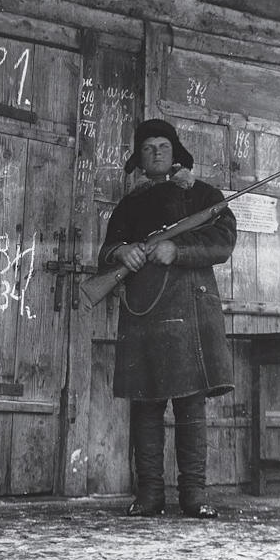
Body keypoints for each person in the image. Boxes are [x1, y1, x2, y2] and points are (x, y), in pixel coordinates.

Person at [98, 119, 237, 518]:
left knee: (191, 405)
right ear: (139, 160)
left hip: (191, 311)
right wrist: (121, 254)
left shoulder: (204, 196)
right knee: (146, 405)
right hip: (144, 311)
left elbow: (222, 241)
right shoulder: (128, 206)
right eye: (147, 148)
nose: (156, 152)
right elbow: (107, 250)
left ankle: (194, 496)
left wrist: (178, 251)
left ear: (176, 153)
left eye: (163, 146)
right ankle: (150, 495)